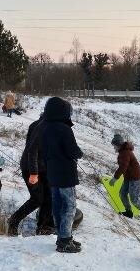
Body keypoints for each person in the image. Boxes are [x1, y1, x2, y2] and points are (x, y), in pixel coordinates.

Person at [40, 97, 83, 253]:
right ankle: (64, 240)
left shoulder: (44, 127)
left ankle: (63, 237)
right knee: (69, 206)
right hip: (65, 174)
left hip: (52, 173)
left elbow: (43, 151)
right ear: (61, 111)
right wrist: (79, 153)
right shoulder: (64, 128)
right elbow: (72, 150)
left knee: (57, 205)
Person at [7, 115, 55, 236]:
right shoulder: (41, 126)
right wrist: (34, 172)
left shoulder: (46, 124)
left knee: (48, 196)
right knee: (37, 199)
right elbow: (32, 150)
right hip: (31, 168)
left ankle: (44, 227)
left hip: (44, 168)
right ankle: (14, 220)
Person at [110, 133, 140, 222]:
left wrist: (115, 178)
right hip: (128, 177)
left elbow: (123, 167)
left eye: (114, 146)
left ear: (119, 145)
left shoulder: (125, 153)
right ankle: (128, 212)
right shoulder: (122, 152)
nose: (114, 148)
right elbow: (123, 166)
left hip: (134, 177)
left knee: (134, 199)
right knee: (122, 194)